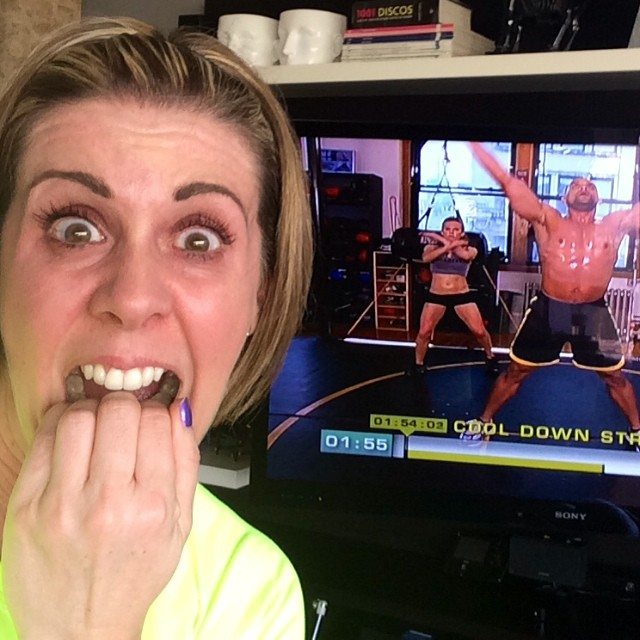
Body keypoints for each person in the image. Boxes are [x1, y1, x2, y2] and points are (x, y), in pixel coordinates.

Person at [0, 16, 313, 639]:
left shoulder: (249, 590)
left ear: (261, 294)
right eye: (75, 228)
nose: (133, 297)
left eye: (199, 239)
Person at [464, 142, 640, 445]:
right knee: (516, 372)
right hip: (549, 310)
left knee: (615, 376)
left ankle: (637, 430)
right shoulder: (547, 219)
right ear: (564, 197)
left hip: (593, 313)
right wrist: (474, 143)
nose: (584, 188)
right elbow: (507, 182)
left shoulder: (615, 225)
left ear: (598, 197)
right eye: (576, 185)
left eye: (590, 185)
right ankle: (484, 421)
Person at [411, 217, 498, 374]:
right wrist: (444, 243)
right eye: (447, 229)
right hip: (436, 294)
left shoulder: (470, 249)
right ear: (443, 231)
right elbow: (426, 258)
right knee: (424, 332)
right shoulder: (430, 247)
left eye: (456, 229)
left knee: (479, 331)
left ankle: (490, 357)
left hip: (461, 294)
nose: (451, 232)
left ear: (462, 232)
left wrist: (441, 239)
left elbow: (465, 257)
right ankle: (418, 364)